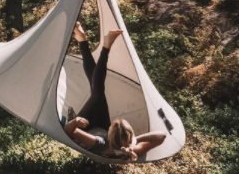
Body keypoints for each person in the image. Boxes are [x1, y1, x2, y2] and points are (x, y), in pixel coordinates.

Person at [63, 22, 166, 161]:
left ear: (110, 134)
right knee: (97, 91)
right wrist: (132, 142)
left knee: (97, 94)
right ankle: (83, 41)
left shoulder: (98, 142)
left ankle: (104, 47)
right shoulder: (130, 149)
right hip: (102, 127)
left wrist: (75, 122)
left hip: (85, 126)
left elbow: (69, 132)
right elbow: (161, 136)